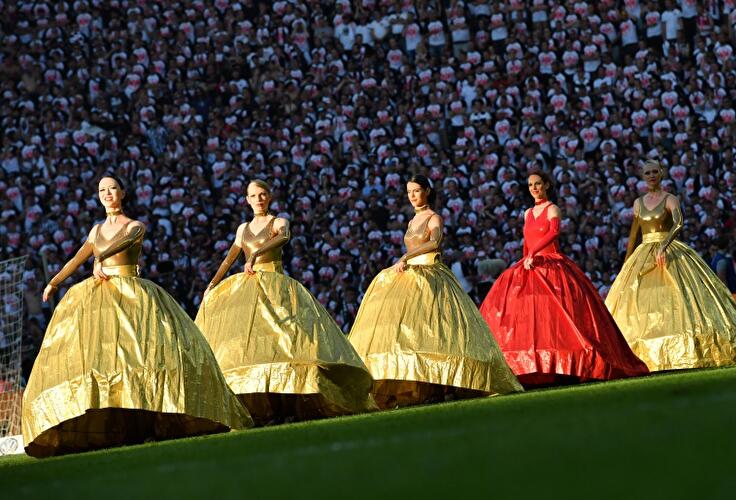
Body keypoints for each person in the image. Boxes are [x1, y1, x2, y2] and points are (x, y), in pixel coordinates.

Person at [23, 176, 252, 458]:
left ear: (123, 192)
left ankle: (151, 418)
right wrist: (55, 282)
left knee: (141, 354)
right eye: (102, 190)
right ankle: (118, 425)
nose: (107, 194)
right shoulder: (96, 230)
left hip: (133, 294)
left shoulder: (135, 225)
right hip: (100, 297)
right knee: (108, 357)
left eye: (112, 189)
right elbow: (78, 257)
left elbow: (121, 245)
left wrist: (98, 259)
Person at [195, 180, 375, 425]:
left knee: (287, 341)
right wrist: (213, 284)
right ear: (247, 200)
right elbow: (229, 259)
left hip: (275, 284)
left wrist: (257, 254)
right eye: (253, 196)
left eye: (262, 195)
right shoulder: (243, 228)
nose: (258, 199)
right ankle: (265, 406)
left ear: (269, 197)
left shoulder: (279, 221)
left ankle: (292, 402)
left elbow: (284, 237)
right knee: (256, 344)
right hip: (249, 287)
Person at [348, 174, 522, 408]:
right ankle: (419, 384)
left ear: (427, 191)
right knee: (414, 330)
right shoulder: (412, 221)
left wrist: (405, 256)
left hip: (430, 273)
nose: (412, 196)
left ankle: (442, 385)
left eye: (416, 191)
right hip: (411, 274)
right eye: (409, 192)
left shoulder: (434, 217)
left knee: (437, 330)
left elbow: (435, 242)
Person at [480, 171, 649, 387]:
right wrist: (525, 258)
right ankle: (534, 365)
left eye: (538, 184)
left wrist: (533, 253)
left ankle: (565, 364)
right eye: (530, 184)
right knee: (533, 316)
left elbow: (553, 233)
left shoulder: (552, 209)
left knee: (560, 314)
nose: (534, 188)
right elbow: (526, 239)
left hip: (550, 263)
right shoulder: (528, 213)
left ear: (546, 185)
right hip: (531, 264)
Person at [605, 161, 736, 371]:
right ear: (642, 177)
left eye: (655, 172)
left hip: (669, 249)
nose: (651, 175)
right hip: (643, 253)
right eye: (647, 173)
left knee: (681, 295)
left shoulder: (670, 198)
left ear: (661, 174)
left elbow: (679, 223)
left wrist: (664, 243)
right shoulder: (638, 203)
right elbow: (634, 235)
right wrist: (626, 265)